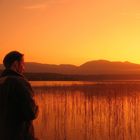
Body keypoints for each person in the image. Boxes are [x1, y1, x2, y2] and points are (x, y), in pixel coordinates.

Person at [0, 51, 38, 140]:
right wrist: (37, 108)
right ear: (16, 64)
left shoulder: (1, 81)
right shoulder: (19, 82)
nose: (24, 68)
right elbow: (31, 113)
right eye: (23, 64)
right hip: (19, 135)